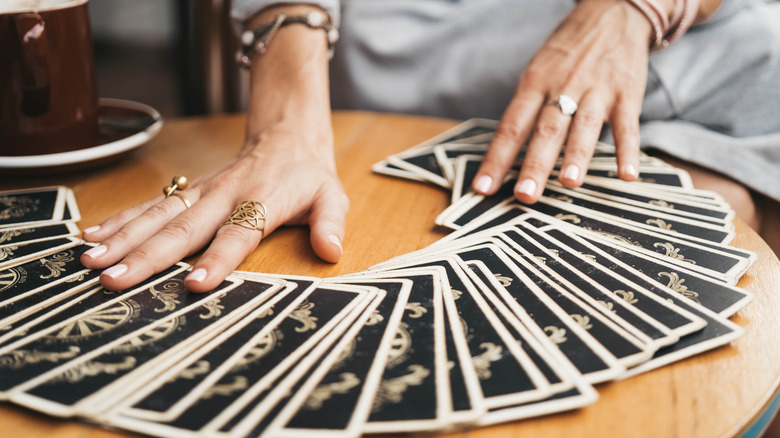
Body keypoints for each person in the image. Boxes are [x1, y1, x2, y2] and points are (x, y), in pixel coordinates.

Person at [79, 0, 780, 293]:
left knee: (669, 272)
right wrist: (287, 124)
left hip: (694, 64)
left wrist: (633, 10)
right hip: (382, 78)